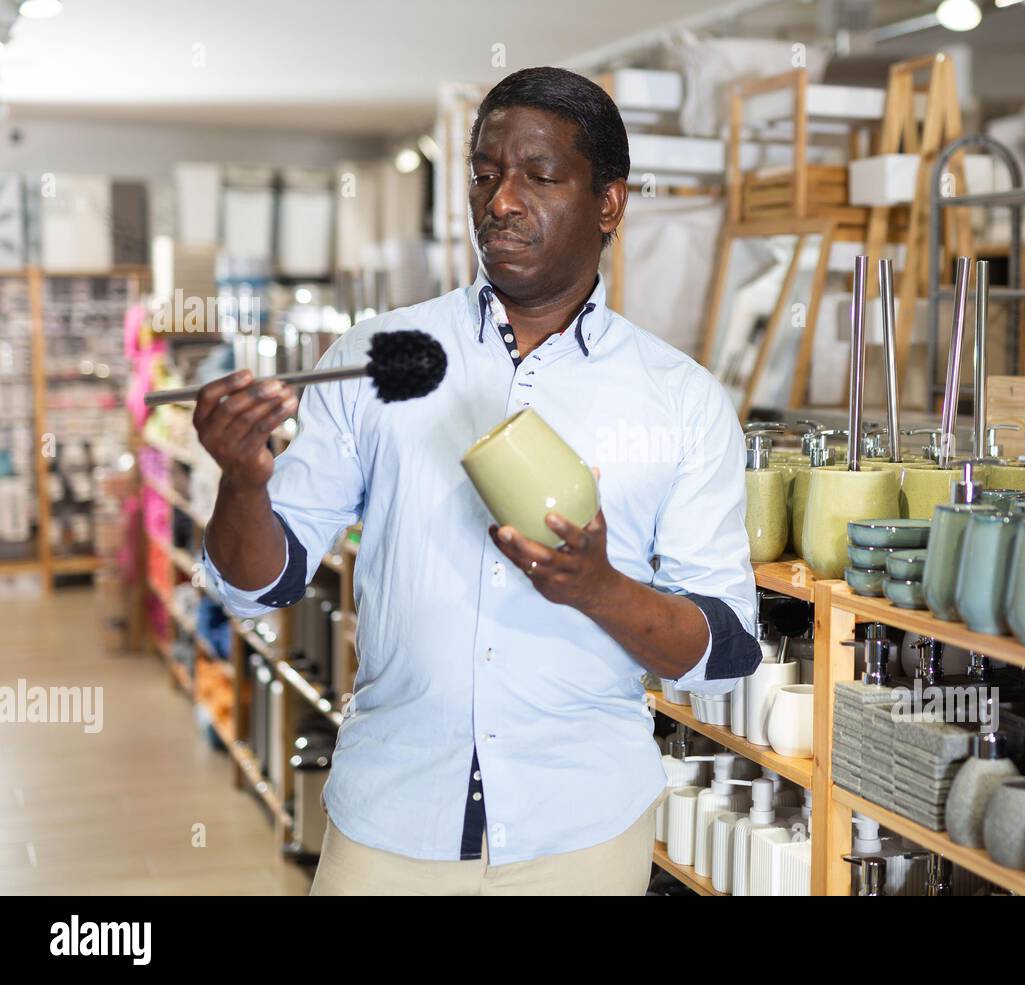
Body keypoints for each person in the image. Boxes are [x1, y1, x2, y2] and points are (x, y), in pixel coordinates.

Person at [195, 66, 760, 895]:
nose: (499, 201)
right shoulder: (371, 357)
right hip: (390, 819)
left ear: (610, 204)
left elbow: (728, 647)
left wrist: (599, 590)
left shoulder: (681, 399)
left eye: (539, 176)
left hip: (581, 831)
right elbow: (262, 586)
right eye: (486, 173)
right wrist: (243, 483)